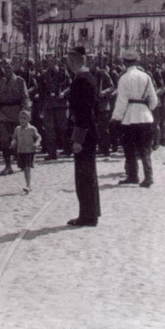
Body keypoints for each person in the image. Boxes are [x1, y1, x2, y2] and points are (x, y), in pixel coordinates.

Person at [111, 50, 158, 188]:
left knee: (129, 148)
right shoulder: (146, 76)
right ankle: (148, 176)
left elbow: (122, 101)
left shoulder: (124, 78)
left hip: (129, 117)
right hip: (145, 116)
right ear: (137, 61)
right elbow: (153, 99)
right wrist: (148, 109)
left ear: (124, 62)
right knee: (145, 148)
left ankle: (133, 176)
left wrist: (116, 117)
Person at [65, 47, 100, 226]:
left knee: (84, 176)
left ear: (78, 60)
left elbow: (84, 112)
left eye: (71, 61)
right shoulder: (86, 78)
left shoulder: (82, 81)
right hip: (87, 131)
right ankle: (92, 212)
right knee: (88, 174)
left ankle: (87, 216)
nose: (69, 64)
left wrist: (78, 139)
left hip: (84, 134)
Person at [0, 59, 31, 176]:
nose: (6, 70)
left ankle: (22, 162)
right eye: (4, 68)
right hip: (3, 114)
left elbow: (25, 98)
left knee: (19, 140)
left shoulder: (20, 81)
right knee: (4, 141)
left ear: (13, 67)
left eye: (9, 67)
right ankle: (8, 166)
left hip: (17, 113)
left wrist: (25, 113)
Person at [11, 110, 41, 194]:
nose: (22, 120)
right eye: (21, 118)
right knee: (24, 168)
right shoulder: (17, 129)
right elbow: (14, 137)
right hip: (21, 151)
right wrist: (13, 142)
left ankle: (28, 186)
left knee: (27, 168)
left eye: (24, 118)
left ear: (29, 119)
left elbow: (38, 137)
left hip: (29, 151)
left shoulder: (32, 129)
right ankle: (28, 184)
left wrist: (36, 143)